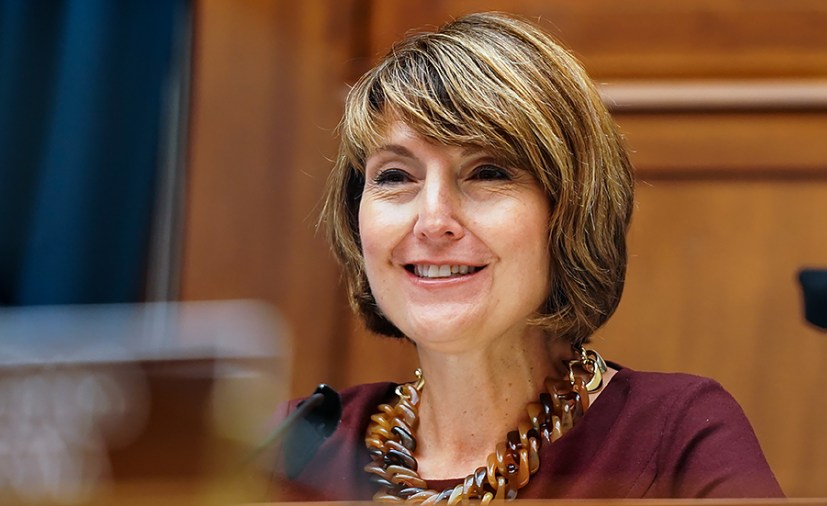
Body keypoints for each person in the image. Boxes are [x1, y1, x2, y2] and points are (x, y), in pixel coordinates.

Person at [271, 11, 783, 502]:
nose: (432, 221)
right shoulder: (295, 445)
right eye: (396, 177)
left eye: (487, 173)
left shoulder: (674, 438)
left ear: (569, 212)